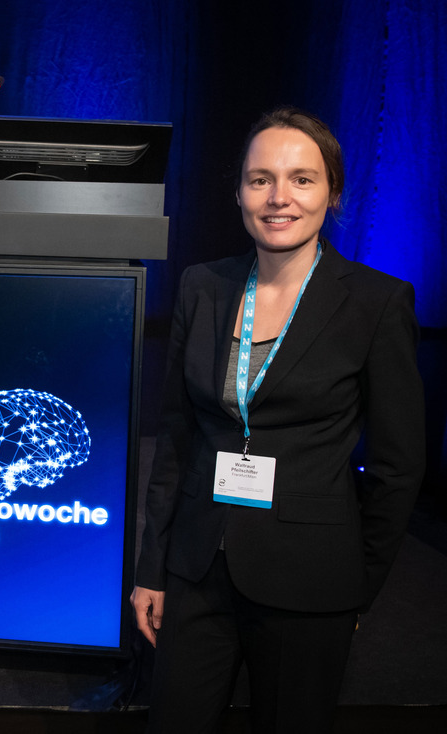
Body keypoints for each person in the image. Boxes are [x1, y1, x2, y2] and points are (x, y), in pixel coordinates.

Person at [131, 107, 425, 733]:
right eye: (260, 178)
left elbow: (399, 468)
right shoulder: (201, 286)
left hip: (310, 580)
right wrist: (151, 569)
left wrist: (356, 584)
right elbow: (178, 433)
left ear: (332, 193)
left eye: (302, 178)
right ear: (238, 191)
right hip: (198, 567)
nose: (279, 197)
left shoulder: (376, 303)